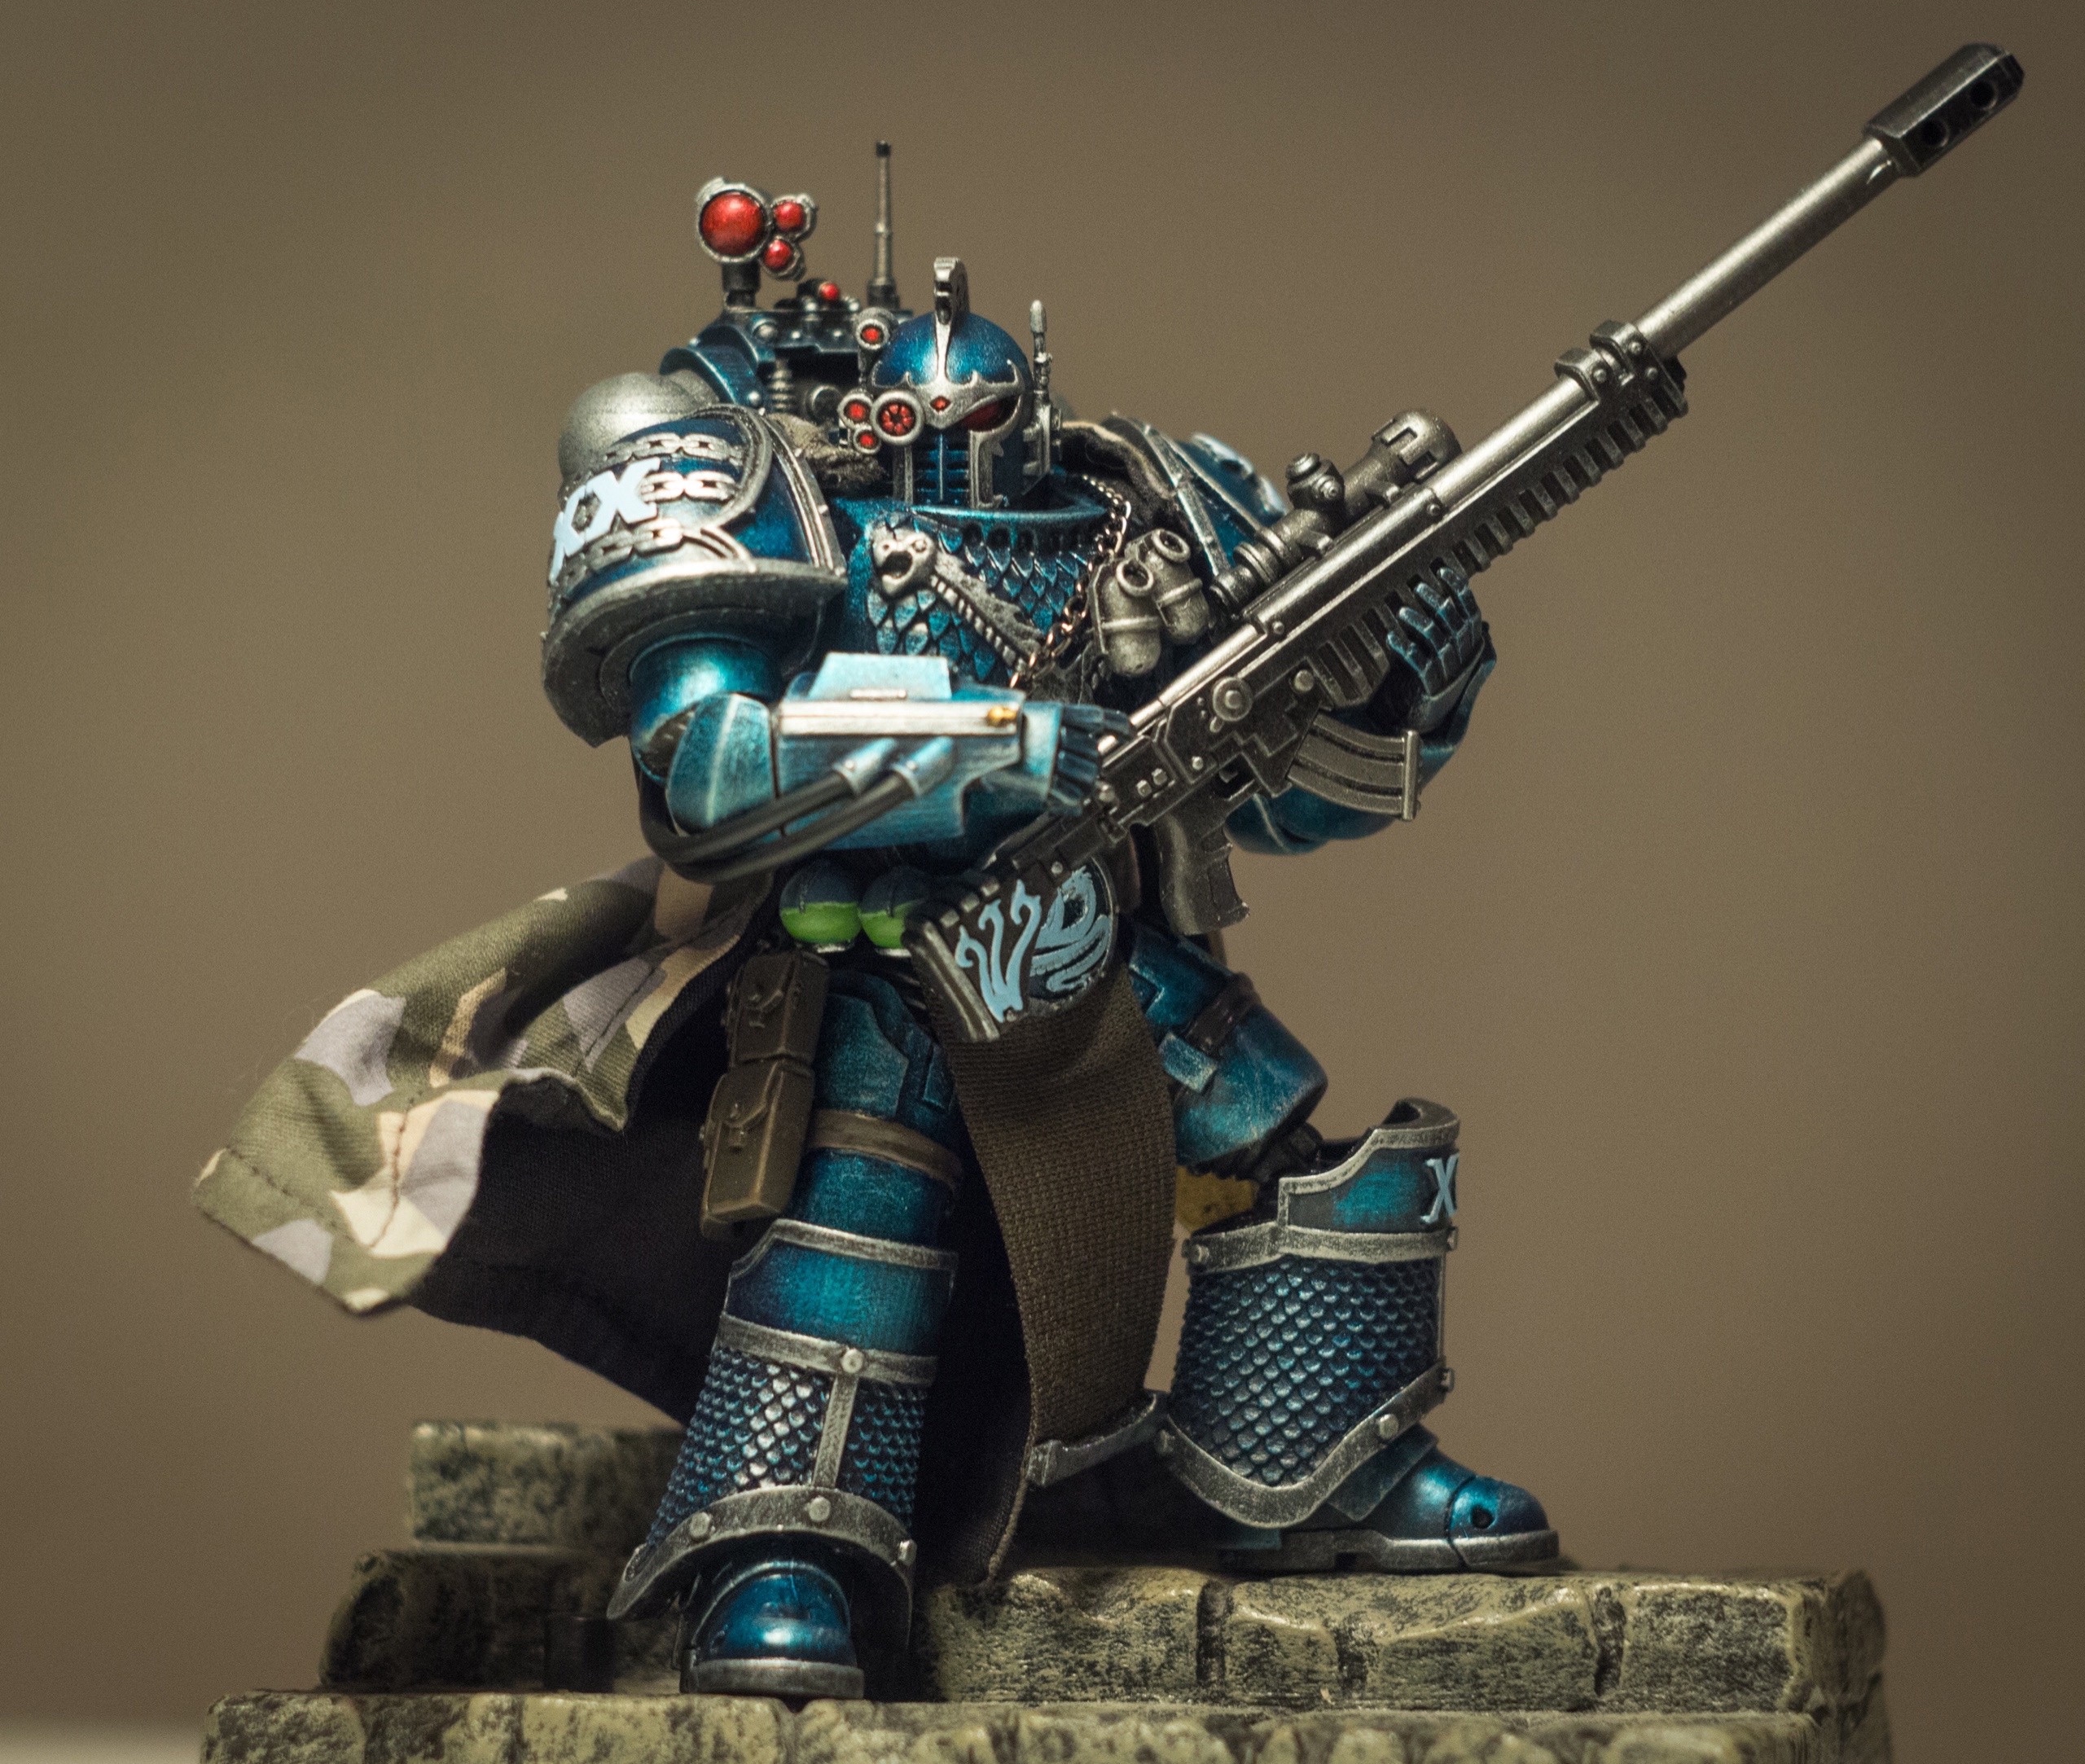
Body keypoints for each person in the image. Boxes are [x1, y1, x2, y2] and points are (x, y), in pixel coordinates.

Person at [196, 154, 1553, 1701]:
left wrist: (1398, 682)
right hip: (878, 956)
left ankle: (1323, 1460)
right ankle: (784, 1544)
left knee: (1285, 1157)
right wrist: (1006, 749)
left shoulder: (1130, 509)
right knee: (856, 1226)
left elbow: (1290, 803)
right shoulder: (752, 490)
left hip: (1103, 946)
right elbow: (706, 773)